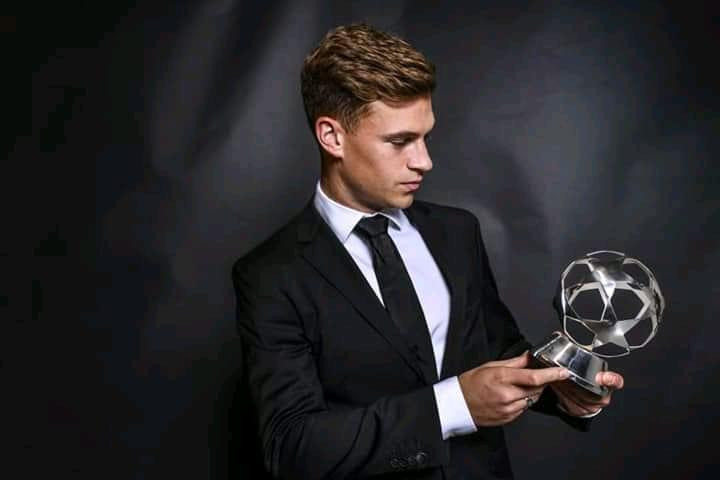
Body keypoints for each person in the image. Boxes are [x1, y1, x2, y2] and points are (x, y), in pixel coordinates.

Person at [232, 23, 623, 479]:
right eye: (400, 141)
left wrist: (563, 389)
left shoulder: (457, 233)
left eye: (426, 137)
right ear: (332, 137)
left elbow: (501, 351)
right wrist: (453, 406)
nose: (424, 161)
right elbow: (292, 447)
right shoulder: (271, 275)